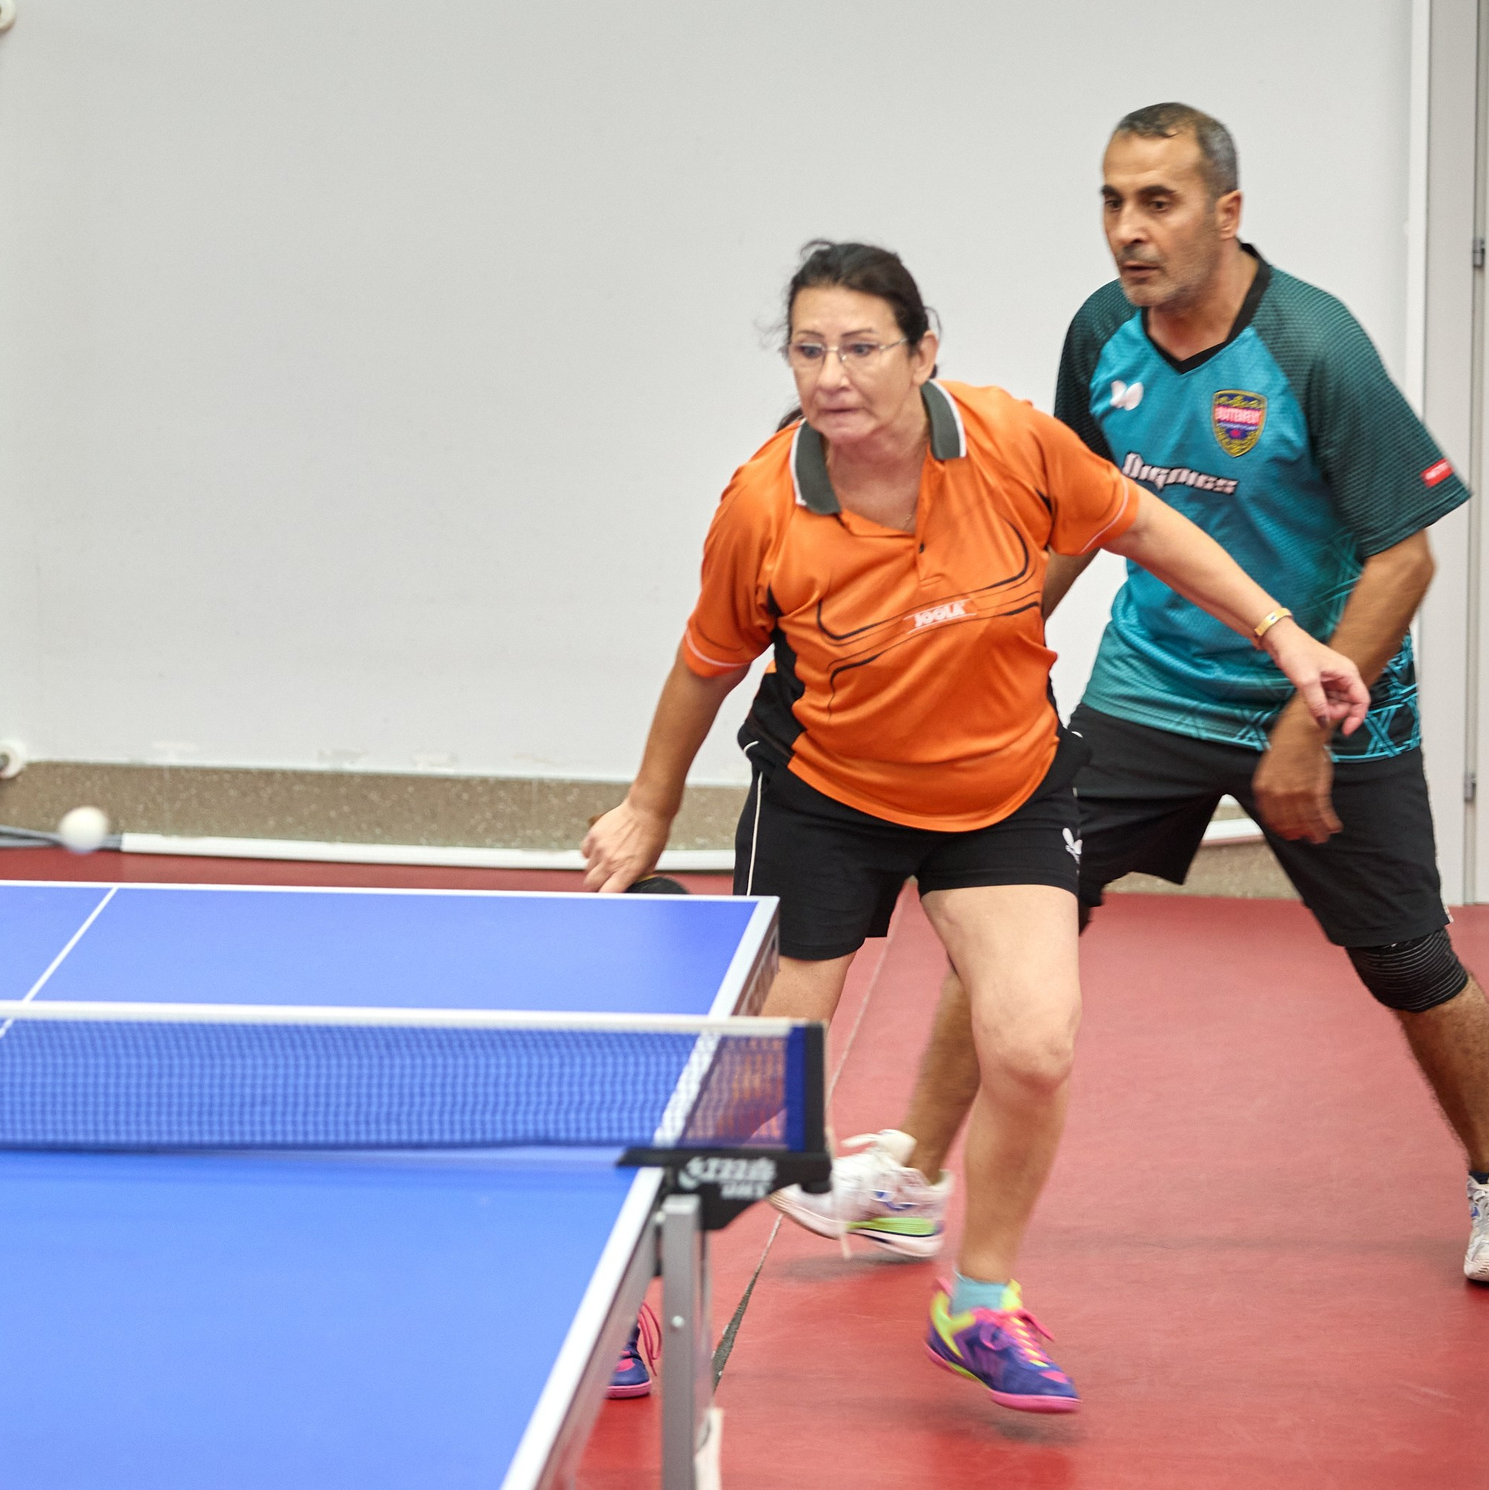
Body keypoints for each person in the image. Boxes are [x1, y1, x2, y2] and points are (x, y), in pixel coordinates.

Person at [582, 240, 1370, 1410]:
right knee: (765, 1091)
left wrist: (1286, 635)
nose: (832, 374)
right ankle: (628, 1291)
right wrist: (648, 804)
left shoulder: (1007, 441)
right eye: (809, 349)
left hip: (1000, 788)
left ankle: (980, 1301)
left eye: (860, 346)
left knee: (1034, 1045)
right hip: (828, 795)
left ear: (922, 351)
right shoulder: (764, 503)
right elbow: (705, 664)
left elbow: (1145, 529)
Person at [804, 104, 1489, 1289]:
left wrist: (1306, 726)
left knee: (1409, 962)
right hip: (1149, 684)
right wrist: (986, 649)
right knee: (1011, 916)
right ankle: (912, 1176)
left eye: (1156, 201)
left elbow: (1404, 555)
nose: (1127, 230)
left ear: (1226, 211)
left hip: (1328, 692)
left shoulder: (1314, 348)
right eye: (1111, 201)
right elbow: (1067, 507)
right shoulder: (1102, 332)